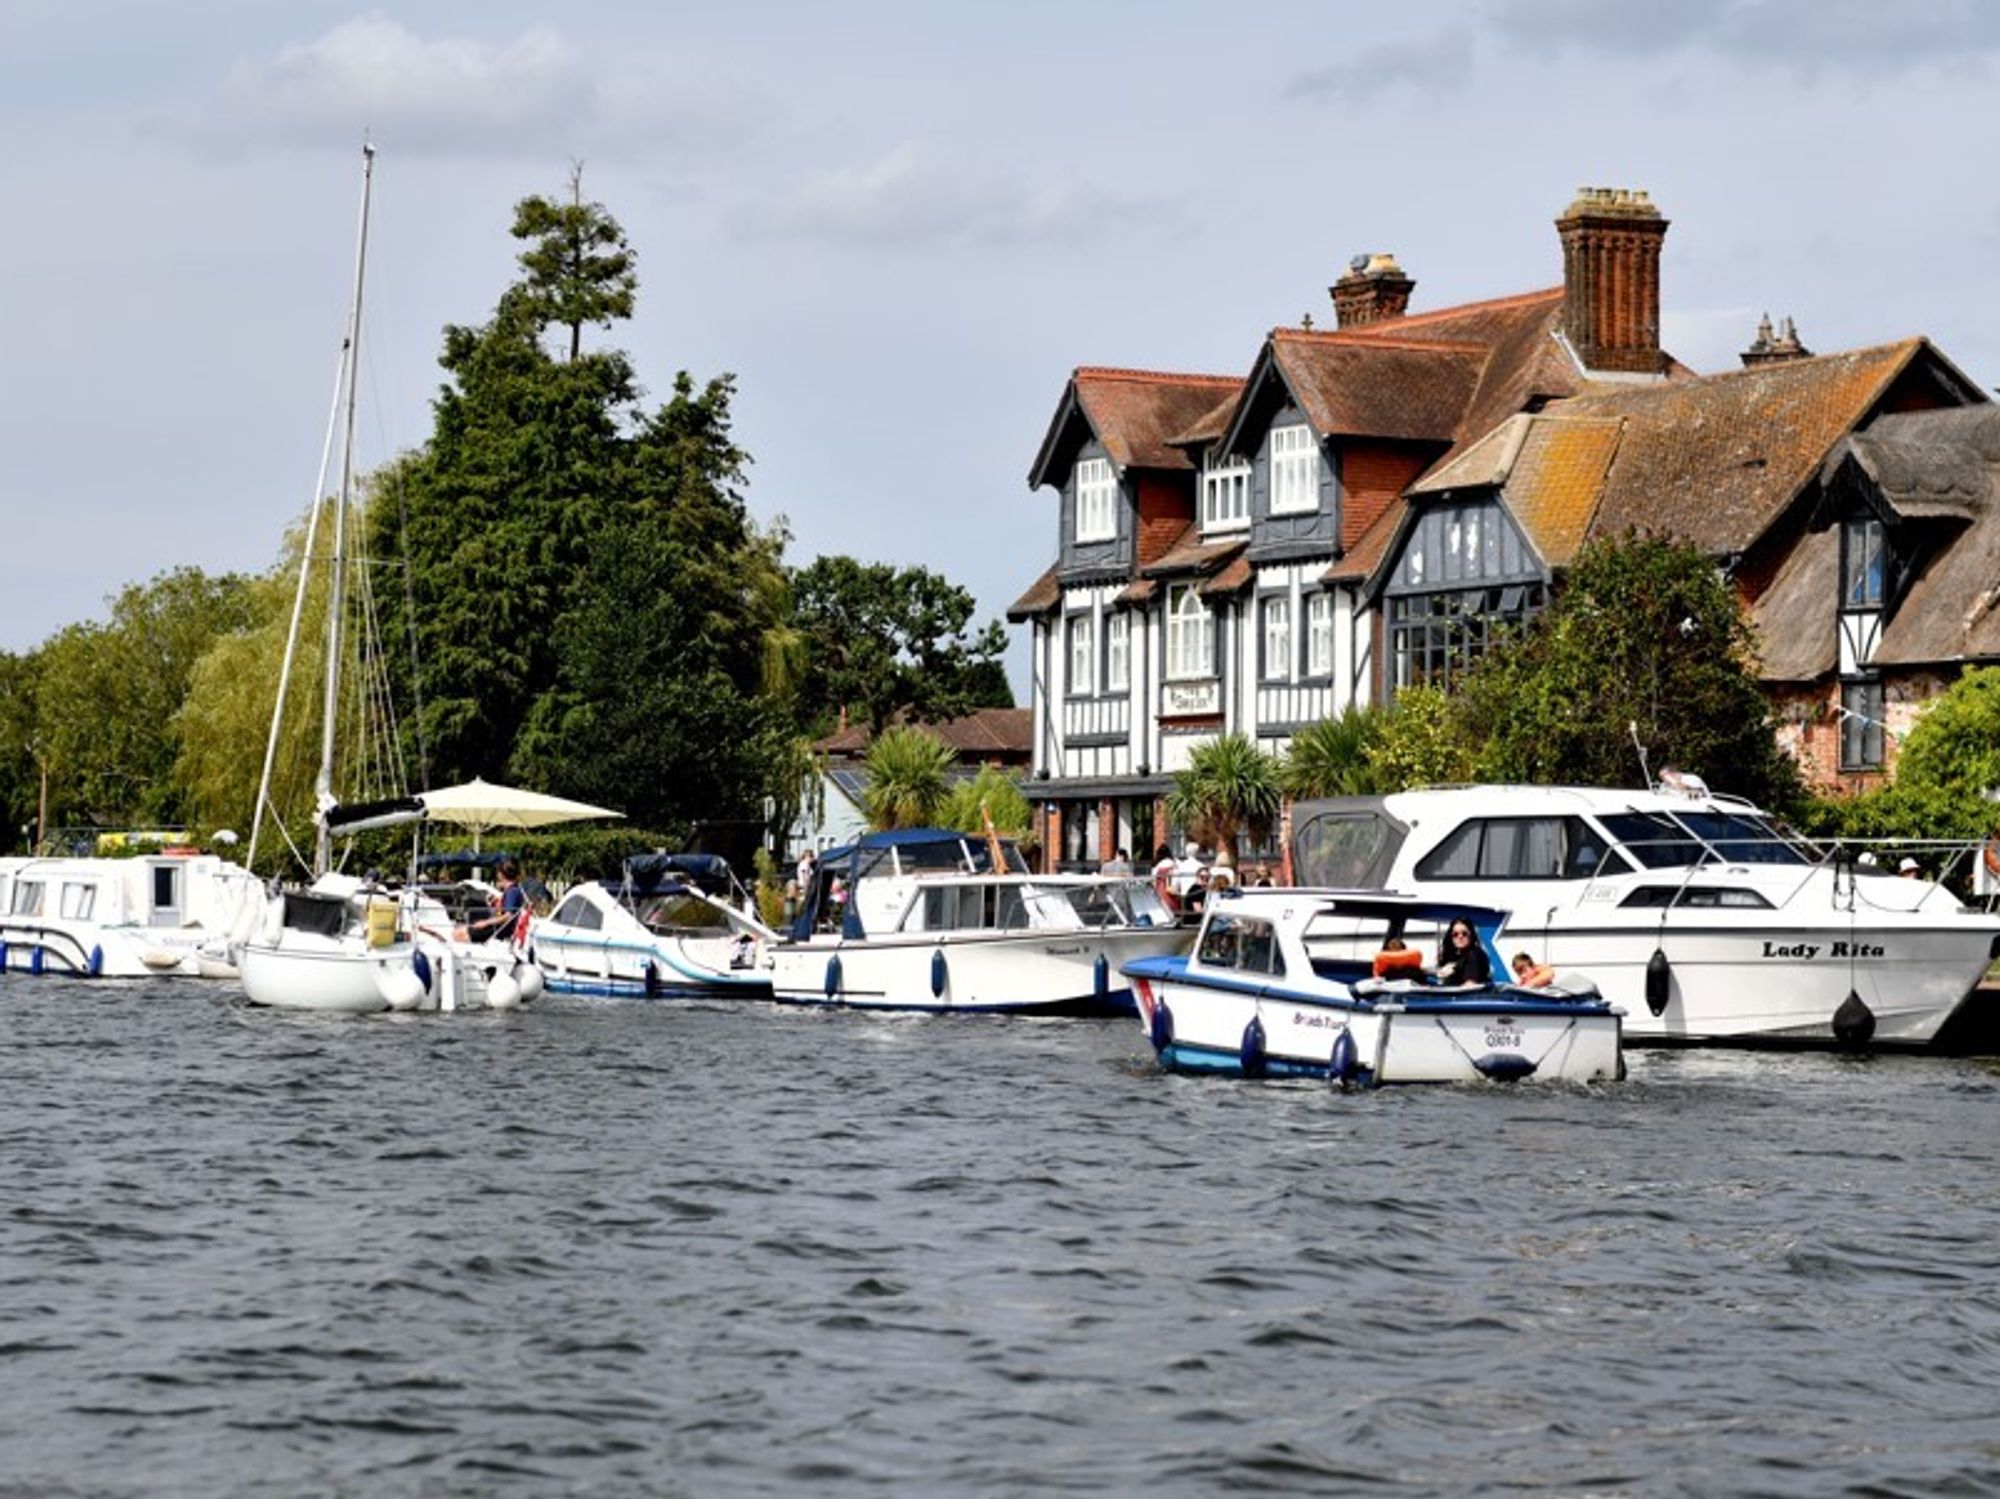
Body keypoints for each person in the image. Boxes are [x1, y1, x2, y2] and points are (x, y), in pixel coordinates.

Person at [472, 857, 526, 944]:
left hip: (500, 933)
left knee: (459, 933)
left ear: (501, 875)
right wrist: (494, 905)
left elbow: (508, 916)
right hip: (498, 930)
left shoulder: (512, 892)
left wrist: (486, 923)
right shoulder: (511, 890)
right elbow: (504, 912)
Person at [1435, 917, 1492, 986]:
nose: (1460, 937)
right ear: (1451, 938)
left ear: (1471, 935)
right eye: (1455, 934)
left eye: (1464, 933)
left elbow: (1470, 986)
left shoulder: (1474, 955)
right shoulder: (1457, 957)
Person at [1151, 843, 1180, 918]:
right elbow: (1176, 884)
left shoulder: (1156, 867)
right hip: (1171, 898)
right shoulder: (1173, 865)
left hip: (1159, 897)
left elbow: (1153, 883)